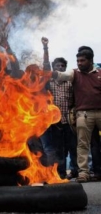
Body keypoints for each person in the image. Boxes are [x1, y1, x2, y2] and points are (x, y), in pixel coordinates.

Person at [51, 46, 101, 183]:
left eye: (82, 61)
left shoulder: (99, 74)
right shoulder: (74, 74)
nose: (79, 63)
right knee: (82, 145)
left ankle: (96, 171)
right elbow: (62, 75)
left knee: (95, 144)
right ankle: (84, 173)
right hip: (83, 115)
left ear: (90, 61)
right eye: (77, 61)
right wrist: (50, 73)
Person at [40, 37, 78, 179]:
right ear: (53, 68)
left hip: (68, 121)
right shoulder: (49, 82)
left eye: (62, 66)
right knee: (58, 150)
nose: (60, 68)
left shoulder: (70, 84)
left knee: (71, 148)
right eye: (57, 66)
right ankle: (60, 174)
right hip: (55, 123)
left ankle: (75, 171)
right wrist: (45, 48)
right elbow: (45, 66)